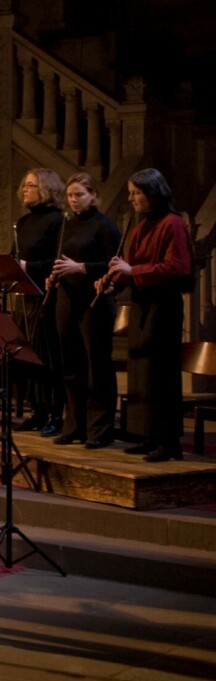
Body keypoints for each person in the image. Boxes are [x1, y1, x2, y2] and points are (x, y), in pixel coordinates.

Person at [101, 168, 193, 462]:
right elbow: (129, 268)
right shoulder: (139, 226)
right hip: (143, 303)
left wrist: (132, 271)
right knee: (141, 371)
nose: (131, 198)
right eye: (130, 193)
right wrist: (111, 282)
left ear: (154, 192)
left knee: (160, 373)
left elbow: (178, 267)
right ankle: (148, 435)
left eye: (136, 193)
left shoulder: (173, 224)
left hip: (163, 305)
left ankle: (168, 441)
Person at [49, 173, 121, 449]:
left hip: (95, 299)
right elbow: (61, 258)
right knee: (70, 362)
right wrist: (55, 276)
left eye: (79, 194)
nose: (74, 200)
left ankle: (99, 429)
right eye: (70, 195)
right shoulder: (67, 225)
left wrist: (82, 268)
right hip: (67, 296)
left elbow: (114, 264)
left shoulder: (105, 226)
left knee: (96, 364)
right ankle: (74, 425)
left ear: (93, 195)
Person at [14, 168, 65, 436]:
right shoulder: (23, 223)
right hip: (24, 297)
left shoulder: (57, 221)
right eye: (24, 185)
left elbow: (57, 259)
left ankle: (55, 413)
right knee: (27, 357)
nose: (25, 189)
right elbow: (15, 256)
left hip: (46, 297)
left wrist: (28, 266)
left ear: (46, 189)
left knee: (46, 356)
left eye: (31, 185)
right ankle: (37, 411)